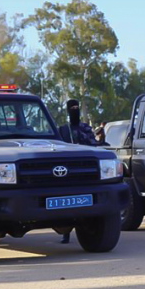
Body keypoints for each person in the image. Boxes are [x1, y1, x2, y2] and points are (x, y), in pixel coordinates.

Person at [57, 99, 101, 244]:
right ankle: (66, 234)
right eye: (72, 108)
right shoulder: (63, 130)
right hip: (67, 171)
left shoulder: (86, 128)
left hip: (83, 170)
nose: (75, 110)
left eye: (77, 107)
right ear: (68, 111)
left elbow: (93, 145)